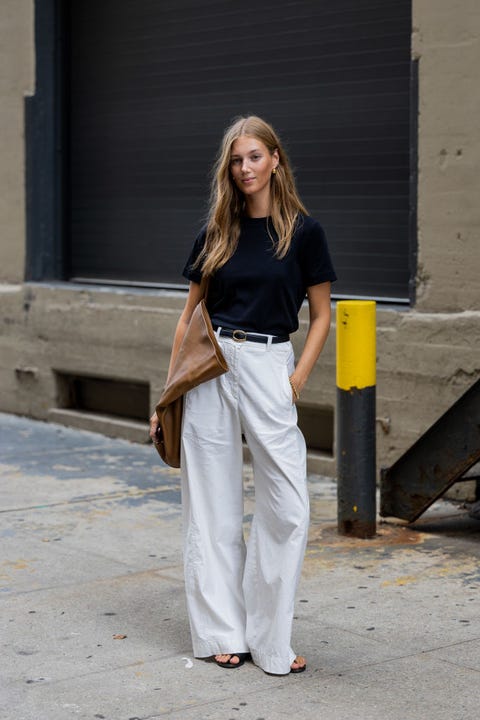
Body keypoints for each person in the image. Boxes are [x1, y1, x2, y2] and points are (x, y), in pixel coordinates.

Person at [150, 115, 336, 675]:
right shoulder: (217, 231)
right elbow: (187, 320)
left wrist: (297, 377)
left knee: (287, 505)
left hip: (268, 362)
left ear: (276, 160)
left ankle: (271, 639)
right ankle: (220, 633)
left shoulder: (304, 233)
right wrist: (167, 397)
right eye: (236, 160)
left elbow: (323, 314)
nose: (245, 168)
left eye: (255, 156)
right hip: (210, 368)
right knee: (211, 505)